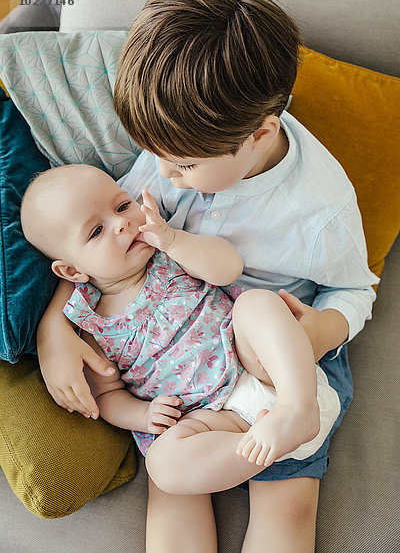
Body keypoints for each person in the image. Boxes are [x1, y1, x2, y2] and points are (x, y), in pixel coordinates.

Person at [35, 0, 379, 553]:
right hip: (186, 390)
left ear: (260, 134)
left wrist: (323, 329)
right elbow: (95, 258)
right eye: (155, 155)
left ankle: (293, 416)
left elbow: (355, 288)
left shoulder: (320, 208)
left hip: (272, 352)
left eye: (183, 165)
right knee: (170, 484)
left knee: (286, 505)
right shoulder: (178, 140)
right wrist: (53, 328)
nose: (162, 176)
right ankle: (239, 442)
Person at [21, 163, 339, 468]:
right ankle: (258, 446)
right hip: (207, 420)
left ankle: (298, 407)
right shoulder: (91, 324)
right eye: (97, 231)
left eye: (122, 207)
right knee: (164, 465)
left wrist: (174, 241)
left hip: (257, 365)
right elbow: (106, 395)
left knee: (256, 303)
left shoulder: (167, 250)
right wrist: (143, 415)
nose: (122, 224)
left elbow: (229, 269)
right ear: (71, 270)